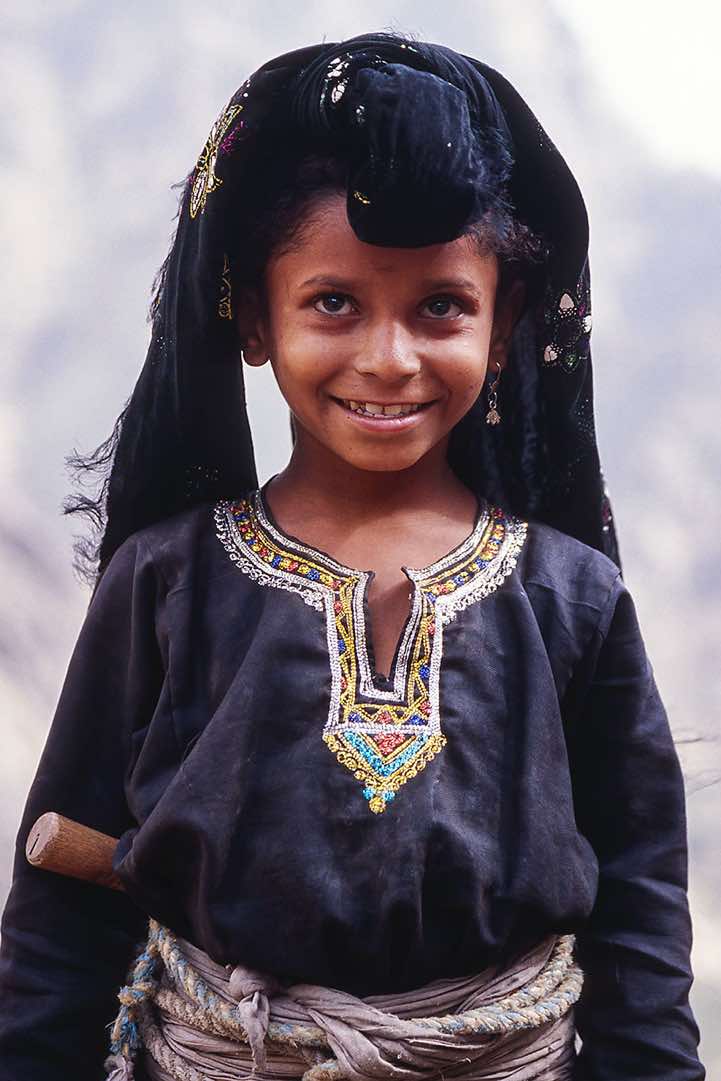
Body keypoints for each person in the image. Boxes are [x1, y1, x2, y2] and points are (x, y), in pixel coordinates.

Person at [0, 31, 705, 1081]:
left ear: (503, 324)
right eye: (333, 302)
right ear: (251, 318)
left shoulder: (571, 596)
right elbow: (61, 914)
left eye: (440, 307)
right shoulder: (167, 580)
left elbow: (640, 907)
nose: (388, 357)